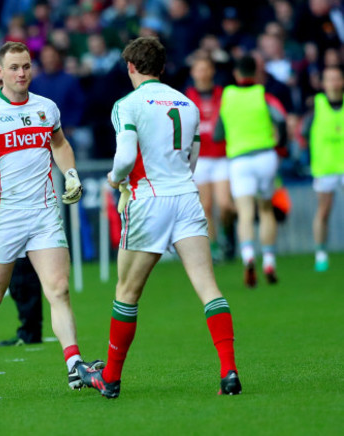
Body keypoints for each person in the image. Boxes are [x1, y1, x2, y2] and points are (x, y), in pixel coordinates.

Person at [76, 37, 241, 399]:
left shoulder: (127, 105)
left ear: (131, 67)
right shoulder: (189, 104)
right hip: (185, 196)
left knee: (127, 292)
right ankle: (228, 370)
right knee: (208, 287)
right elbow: (192, 158)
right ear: (163, 68)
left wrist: (116, 180)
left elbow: (124, 157)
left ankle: (111, 378)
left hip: (149, 199)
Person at [0, 42, 102, 388]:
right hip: (4, 217)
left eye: (26, 66)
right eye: (13, 67)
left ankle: (74, 365)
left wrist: (70, 174)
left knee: (59, 289)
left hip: (43, 213)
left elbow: (60, 145)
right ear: (0, 71)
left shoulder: (47, 108)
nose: (21, 73)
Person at [0, 65, 42, 347]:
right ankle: (28, 328)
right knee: (11, 273)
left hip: (28, 202)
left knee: (25, 269)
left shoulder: (25, 111)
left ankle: (30, 329)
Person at [214, 55, 287, 287]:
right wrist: (281, 143)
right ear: (256, 73)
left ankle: (247, 258)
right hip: (265, 156)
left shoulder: (227, 97)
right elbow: (281, 120)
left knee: (244, 213)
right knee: (265, 209)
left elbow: (217, 133)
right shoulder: (263, 95)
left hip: (239, 161)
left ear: (236, 74)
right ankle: (269, 261)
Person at [185, 56, 236, 261]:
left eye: (206, 69)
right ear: (193, 73)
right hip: (200, 157)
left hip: (222, 155)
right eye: (199, 69)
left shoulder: (223, 94)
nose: (203, 73)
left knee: (225, 204)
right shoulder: (187, 97)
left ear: (212, 71)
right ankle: (215, 247)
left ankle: (227, 234)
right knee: (205, 206)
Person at [301, 65, 344, 272]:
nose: (334, 83)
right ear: (324, 83)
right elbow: (303, 132)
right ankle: (320, 254)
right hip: (325, 167)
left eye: (337, 79)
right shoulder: (316, 106)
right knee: (324, 211)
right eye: (330, 79)